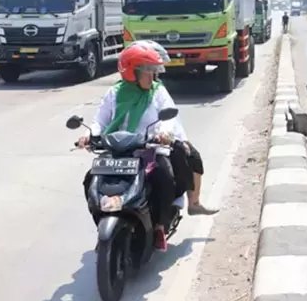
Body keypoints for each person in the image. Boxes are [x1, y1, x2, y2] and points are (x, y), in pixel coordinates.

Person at [77, 44, 216, 252]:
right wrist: (89, 135)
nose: (152, 76)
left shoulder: (158, 91)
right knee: (91, 181)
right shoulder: (114, 93)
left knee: (165, 176)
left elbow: (169, 116)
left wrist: (164, 133)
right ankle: (103, 225)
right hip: (119, 151)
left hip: (149, 150)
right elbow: (100, 121)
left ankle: (159, 225)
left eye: (153, 71)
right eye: (147, 71)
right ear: (132, 72)